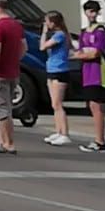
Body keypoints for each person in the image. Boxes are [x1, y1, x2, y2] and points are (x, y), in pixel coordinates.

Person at [72, 0, 105, 153]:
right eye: (89, 10)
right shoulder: (84, 32)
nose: (92, 14)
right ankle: (98, 139)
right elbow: (82, 51)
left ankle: (100, 141)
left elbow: (95, 52)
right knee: (92, 105)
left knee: (96, 106)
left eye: (94, 11)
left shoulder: (101, 32)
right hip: (87, 72)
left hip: (98, 72)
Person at [0, 0, 26, 154]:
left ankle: (8, 143)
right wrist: (14, 59)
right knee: (7, 107)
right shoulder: (16, 25)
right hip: (13, 71)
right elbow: (24, 48)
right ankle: (1, 140)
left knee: (1, 110)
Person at [38, 10, 75, 146]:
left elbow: (42, 47)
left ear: (53, 23)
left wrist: (43, 33)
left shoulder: (59, 35)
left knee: (58, 104)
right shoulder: (59, 35)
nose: (46, 24)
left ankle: (64, 133)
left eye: (47, 21)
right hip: (52, 69)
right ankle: (58, 131)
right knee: (54, 104)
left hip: (59, 70)